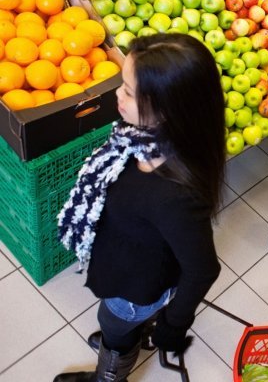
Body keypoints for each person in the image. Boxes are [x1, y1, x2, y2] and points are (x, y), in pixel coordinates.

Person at [54, 34, 225, 382]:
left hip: (134, 287)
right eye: (123, 83)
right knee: (117, 325)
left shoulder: (175, 193)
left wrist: (174, 324)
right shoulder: (140, 140)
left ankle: (111, 369)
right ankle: (123, 337)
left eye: (129, 92)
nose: (117, 94)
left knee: (113, 322)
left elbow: (203, 268)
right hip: (129, 256)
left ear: (168, 109)